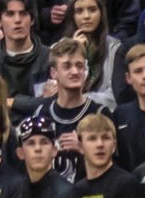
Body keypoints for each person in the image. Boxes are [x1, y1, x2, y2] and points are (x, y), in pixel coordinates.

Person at [32, 38, 111, 182]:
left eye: (79, 66)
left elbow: (113, 168)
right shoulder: (41, 113)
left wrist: (84, 148)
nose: (75, 71)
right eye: (67, 66)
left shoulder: (100, 114)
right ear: (54, 73)